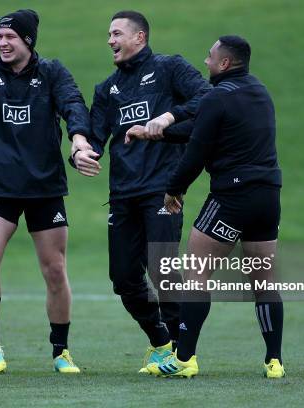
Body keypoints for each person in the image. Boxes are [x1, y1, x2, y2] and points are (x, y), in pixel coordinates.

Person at [129, 35, 285, 379]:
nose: (206, 62)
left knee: (197, 273)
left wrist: (173, 189)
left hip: (232, 198)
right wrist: (154, 133)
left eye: (210, 57)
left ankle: (185, 359)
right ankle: (274, 361)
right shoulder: (260, 92)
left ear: (225, 63)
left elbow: (197, 149)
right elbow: (201, 130)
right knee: (264, 280)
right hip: (268, 197)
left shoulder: (216, 97)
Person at [0, 9, 92, 374]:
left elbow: (74, 104)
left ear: (27, 40)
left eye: (10, 37)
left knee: (55, 270)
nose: (2, 43)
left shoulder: (52, 72)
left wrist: (78, 141)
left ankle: (60, 351)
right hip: (1, 185)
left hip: (44, 187)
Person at [76, 10, 211, 373]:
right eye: (108, 34)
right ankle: (161, 342)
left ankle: (184, 356)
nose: (110, 40)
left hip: (162, 190)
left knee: (163, 270)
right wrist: (81, 153)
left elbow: (209, 97)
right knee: (122, 278)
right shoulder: (107, 89)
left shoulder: (170, 69)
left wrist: (168, 117)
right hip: (122, 194)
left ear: (140, 37)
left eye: (116, 33)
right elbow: (94, 137)